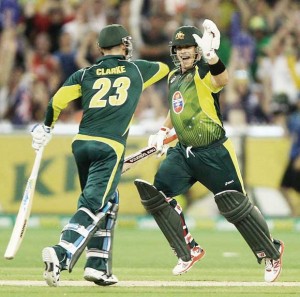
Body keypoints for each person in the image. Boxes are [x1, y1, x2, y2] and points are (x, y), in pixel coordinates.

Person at [134, 19, 284, 282]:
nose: (183, 51)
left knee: (234, 206)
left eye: (188, 46)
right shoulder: (173, 77)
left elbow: (222, 79)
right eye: (179, 47)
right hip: (184, 152)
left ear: (197, 49)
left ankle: (271, 251)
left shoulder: (204, 71)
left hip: (214, 151)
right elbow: (177, 109)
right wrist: (161, 132)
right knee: (157, 195)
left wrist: (212, 57)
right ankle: (188, 250)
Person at [31, 24, 169, 287]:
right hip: (109, 147)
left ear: (101, 48)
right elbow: (166, 68)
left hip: (82, 144)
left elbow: (56, 102)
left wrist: (46, 127)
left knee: (109, 200)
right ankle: (61, 254)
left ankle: (97, 266)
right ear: (123, 45)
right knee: (94, 203)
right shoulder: (137, 69)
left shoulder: (84, 73)